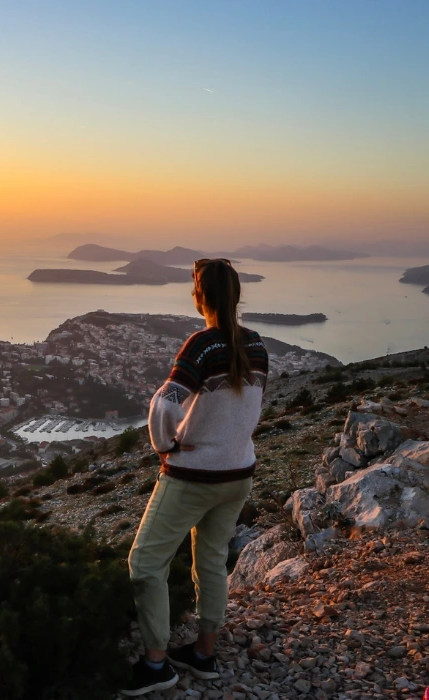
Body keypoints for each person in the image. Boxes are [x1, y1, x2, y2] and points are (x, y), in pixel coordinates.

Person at [119, 258, 269, 697]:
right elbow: (248, 408)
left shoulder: (201, 345)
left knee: (145, 564)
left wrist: (166, 447)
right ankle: (205, 654)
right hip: (238, 473)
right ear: (237, 295)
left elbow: (164, 405)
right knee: (211, 561)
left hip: (193, 476)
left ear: (199, 297)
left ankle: (156, 665)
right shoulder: (257, 345)